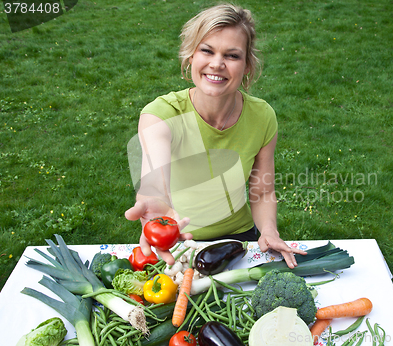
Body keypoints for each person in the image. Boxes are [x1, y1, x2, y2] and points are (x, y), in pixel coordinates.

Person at [125, 3, 306, 269]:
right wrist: (154, 201)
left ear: (246, 65)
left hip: (238, 241)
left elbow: (262, 191)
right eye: (206, 50)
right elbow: (154, 174)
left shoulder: (262, 116)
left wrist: (268, 231)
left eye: (232, 56)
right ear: (190, 57)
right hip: (177, 241)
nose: (217, 64)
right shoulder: (161, 113)